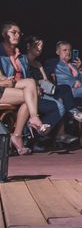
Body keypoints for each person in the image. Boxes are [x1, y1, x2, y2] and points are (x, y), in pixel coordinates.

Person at [23, 35, 82, 145]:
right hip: (32, 95)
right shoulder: (22, 60)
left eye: (41, 47)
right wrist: (39, 83)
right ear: (28, 46)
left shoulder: (38, 64)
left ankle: (74, 112)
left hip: (43, 92)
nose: (40, 49)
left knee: (64, 88)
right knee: (60, 104)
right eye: (37, 46)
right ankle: (42, 136)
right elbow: (23, 80)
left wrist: (48, 85)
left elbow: (45, 80)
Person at [0, 21, 51, 154]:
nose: (17, 35)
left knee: (30, 86)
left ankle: (20, 132)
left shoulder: (21, 57)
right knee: (30, 96)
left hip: (13, 88)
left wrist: (35, 89)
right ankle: (23, 130)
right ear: (4, 34)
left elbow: (27, 78)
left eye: (19, 33)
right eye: (13, 32)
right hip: (2, 89)